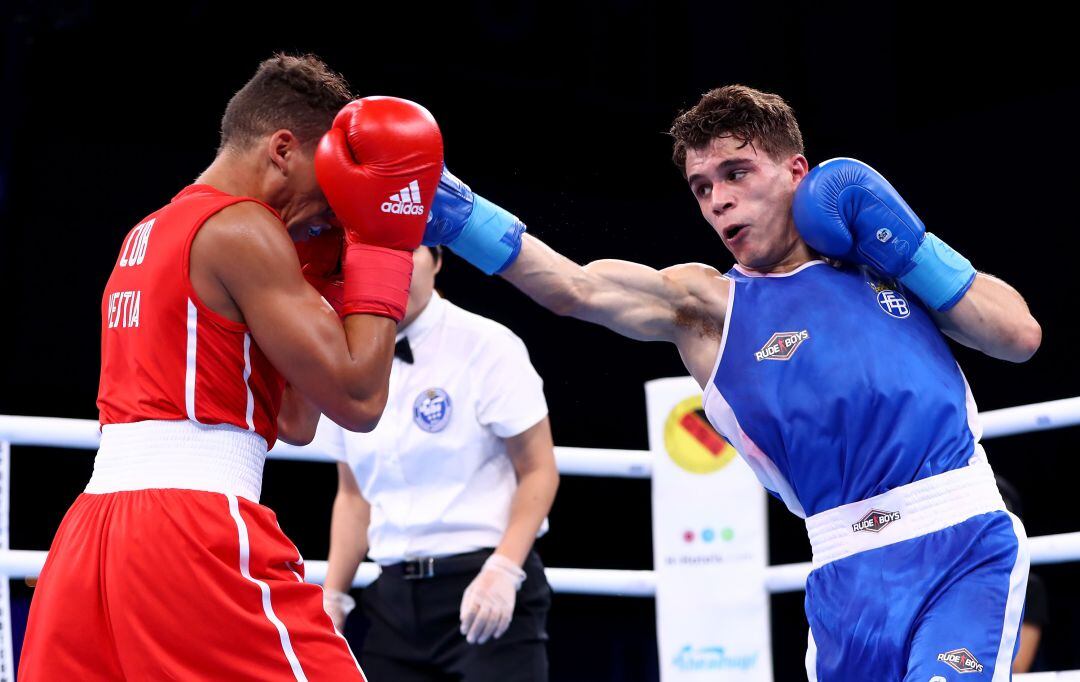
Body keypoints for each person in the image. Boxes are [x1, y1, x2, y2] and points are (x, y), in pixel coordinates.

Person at [421, 85, 1042, 680]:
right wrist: (456, 214)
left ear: (797, 171)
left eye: (736, 173)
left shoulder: (884, 258)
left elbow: (1019, 337)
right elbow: (575, 287)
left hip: (963, 544)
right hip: (844, 576)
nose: (717, 199)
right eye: (701, 187)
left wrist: (910, 249)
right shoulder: (711, 307)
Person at [18, 54, 444, 680]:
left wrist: (323, 272)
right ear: (283, 149)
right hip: (190, 531)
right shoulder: (243, 229)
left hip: (93, 536)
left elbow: (298, 420)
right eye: (328, 184)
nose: (333, 208)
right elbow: (359, 401)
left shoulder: (151, 230)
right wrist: (384, 245)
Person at [318, 244, 559, 682]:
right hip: (390, 604)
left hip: (481, 582)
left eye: (407, 253)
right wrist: (333, 596)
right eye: (378, 257)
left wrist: (504, 569)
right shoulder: (344, 357)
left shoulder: (487, 344)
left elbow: (539, 469)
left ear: (438, 258)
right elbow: (353, 495)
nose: (394, 271)